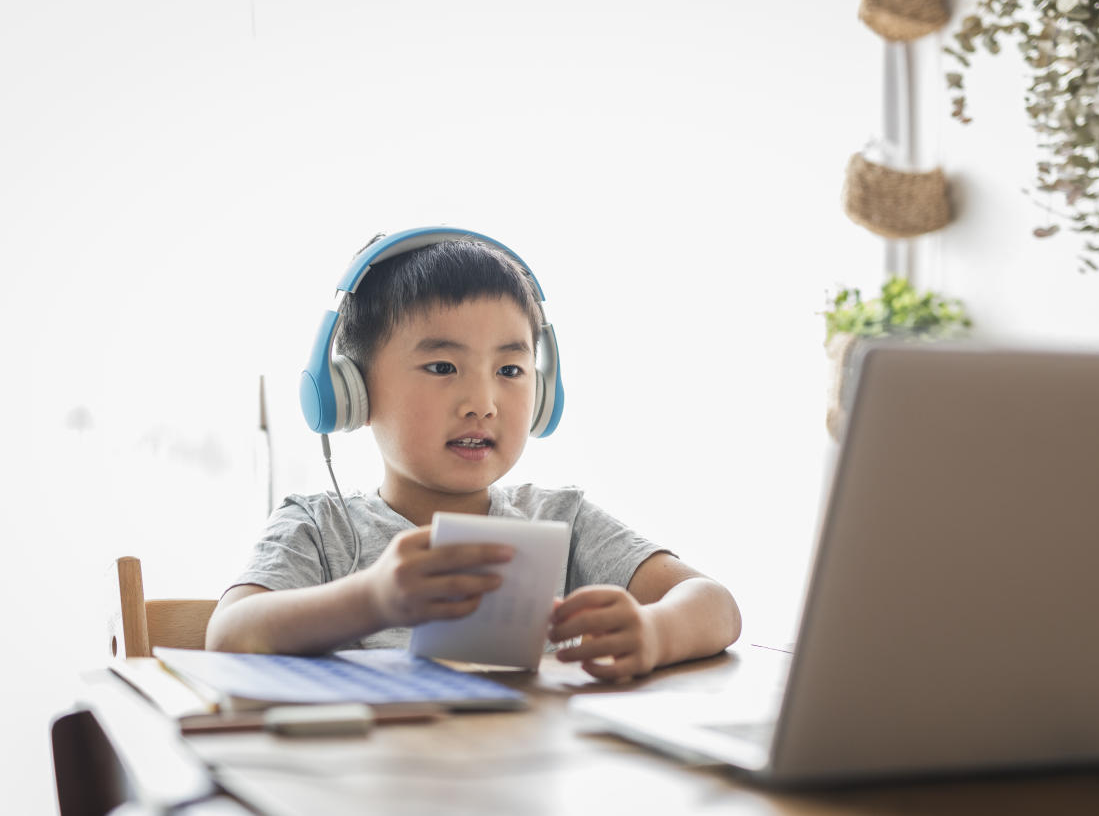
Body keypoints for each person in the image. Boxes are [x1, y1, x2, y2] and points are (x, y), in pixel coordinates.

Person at [206, 231, 741, 681]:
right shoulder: (321, 529)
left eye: (510, 371)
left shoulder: (560, 521)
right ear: (354, 393)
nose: (482, 404)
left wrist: (654, 632)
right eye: (442, 367)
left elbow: (715, 605)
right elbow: (229, 635)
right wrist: (372, 599)